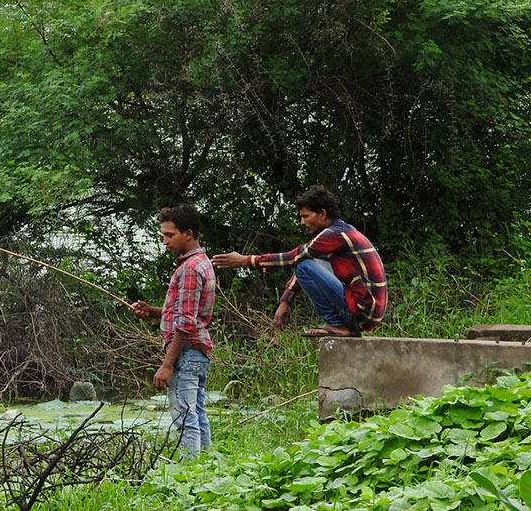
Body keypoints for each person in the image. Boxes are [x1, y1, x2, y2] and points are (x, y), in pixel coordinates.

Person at [213, 185, 386, 338]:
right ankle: (342, 326)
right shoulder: (342, 231)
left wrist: (246, 260)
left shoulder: (334, 235)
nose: (302, 222)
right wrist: (285, 300)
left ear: (322, 214)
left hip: (363, 312)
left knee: (304, 266)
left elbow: (293, 258)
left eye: (306, 216)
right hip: (367, 312)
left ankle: (336, 324)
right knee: (306, 264)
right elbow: (308, 260)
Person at [130, 204, 216, 458]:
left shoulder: (189, 269)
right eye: (163, 236)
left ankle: (191, 472)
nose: (165, 241)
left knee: (184, 416)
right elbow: (188, 312)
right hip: (197, 353)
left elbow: (187, 323)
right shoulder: (202, 263)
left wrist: (167, 365)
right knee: (196, 412)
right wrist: (153, 311)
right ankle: (205, 466)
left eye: (170, 235)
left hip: (186, 353)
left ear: (188, 234)